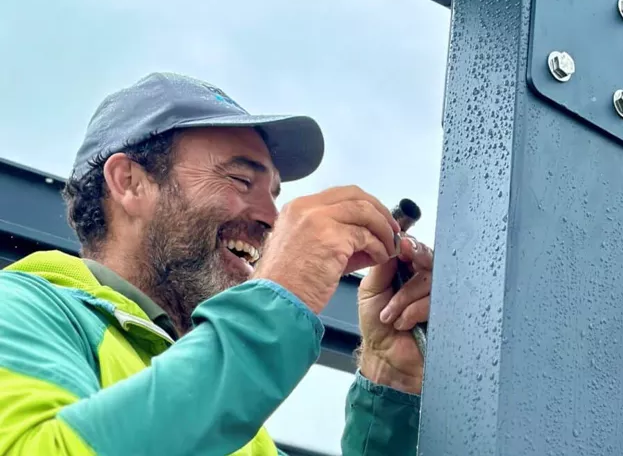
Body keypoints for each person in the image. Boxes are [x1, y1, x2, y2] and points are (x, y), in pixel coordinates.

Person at [0, 73, 432, 455]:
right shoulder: (20, 308)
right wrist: (279, 297)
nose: (273, 218)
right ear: (130, 183)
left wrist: (387, 379)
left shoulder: (238, 421)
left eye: (275, 193)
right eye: (241, 180)